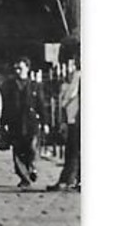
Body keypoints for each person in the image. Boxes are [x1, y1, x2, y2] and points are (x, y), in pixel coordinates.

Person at [0, 56, 48, 189]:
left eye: (20, 68)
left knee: (32, 147)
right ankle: (24, 178)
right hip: (15, 122)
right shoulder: (9, 85)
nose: (17, 70)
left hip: (31, 121)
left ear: (27, 68)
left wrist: (45, 122)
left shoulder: (34, 85)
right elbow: (6, 105)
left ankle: (32, 167)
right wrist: (3, 123)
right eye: (15, 68)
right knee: (18, 151)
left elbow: (41, 104)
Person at [48, 53, 80, 192]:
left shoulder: (78, 75)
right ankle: (73, 179)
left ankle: (68, 180)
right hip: (75, 117)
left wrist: (63, 104)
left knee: (73, 150)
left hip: (76, 117)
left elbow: (70, 95)